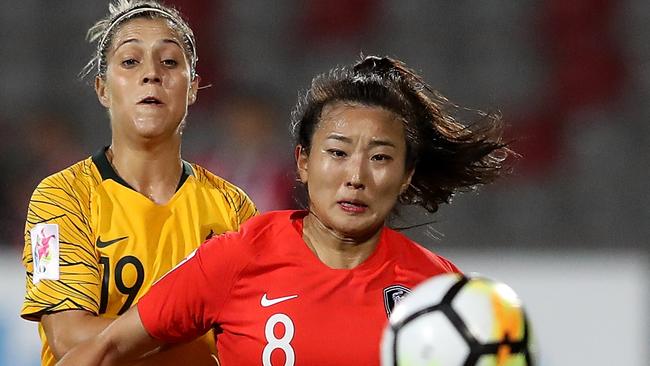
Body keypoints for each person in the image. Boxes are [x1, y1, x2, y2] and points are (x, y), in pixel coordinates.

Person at [58, 55, 513, 366]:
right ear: (302, 162)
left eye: (380, 158)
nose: (356, 176)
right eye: (337, 153)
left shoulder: (441, 293)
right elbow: (104, 349)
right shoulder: (238, 258)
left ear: (407, 174)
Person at [21, 1, 257, 365]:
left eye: (169, 62)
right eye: (130, 61)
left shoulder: (234, 207)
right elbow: (68, 336)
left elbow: (253, 335)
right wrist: (188, 331)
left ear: (193, 88)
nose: (152, 74)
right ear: (102, 89)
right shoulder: (58, 200)